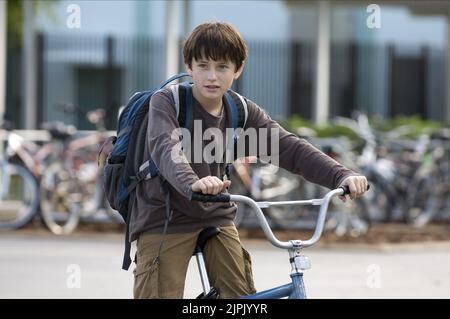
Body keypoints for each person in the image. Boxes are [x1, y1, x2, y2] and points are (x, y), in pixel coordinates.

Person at [130, 21, 368, 299]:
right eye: (203, 65)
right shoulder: (169, 102)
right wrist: (192, 183)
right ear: (189, 65)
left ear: (238, 69)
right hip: (165, 215)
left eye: (222, 67)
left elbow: (290, 149)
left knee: (242, 298)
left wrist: (340, 175)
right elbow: (164, 147)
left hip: (215, 213)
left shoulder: (239, 111)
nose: (212, 76)